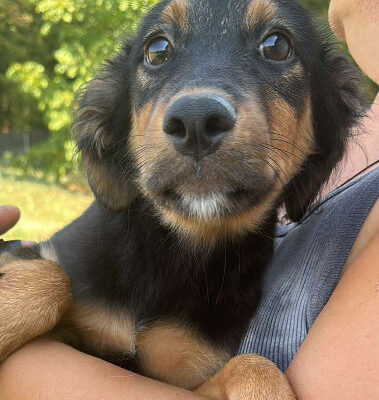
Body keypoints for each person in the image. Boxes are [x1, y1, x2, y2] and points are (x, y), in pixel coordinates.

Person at [0, 1, 378, 399]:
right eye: (158, 52)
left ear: (322, 134)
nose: (197, 108)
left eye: (275, 47)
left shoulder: (225, 319)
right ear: (115, 129)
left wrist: (246, 377)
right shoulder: (83, 261)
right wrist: (36, 286)